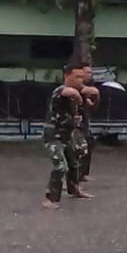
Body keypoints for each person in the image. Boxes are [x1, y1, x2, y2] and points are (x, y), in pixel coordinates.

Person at [41, 62, 92, 210]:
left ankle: (74, 188)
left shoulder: (77, 93)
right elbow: (69, 92)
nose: (80, 80)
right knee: (60, 166)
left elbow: (91, 92)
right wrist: (79, 96)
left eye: (82, 77)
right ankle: (49, 198)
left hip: (67, 134)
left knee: (75, 162)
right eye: (76, 77)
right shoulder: (60, 91)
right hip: (53, 135)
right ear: (66, 76)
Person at [75, 77, 99, 182]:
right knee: (75, 148)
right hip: (73, 121)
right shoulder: (74, 85)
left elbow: (94, 105)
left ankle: (83, 173)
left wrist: (94, 98)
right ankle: (72, 177)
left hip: (84, 120)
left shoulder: (90, 83)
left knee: (88, 143)